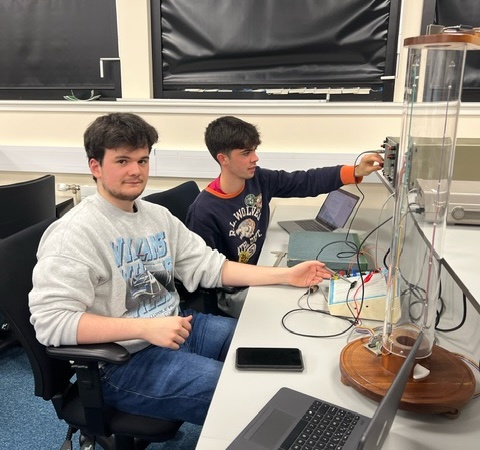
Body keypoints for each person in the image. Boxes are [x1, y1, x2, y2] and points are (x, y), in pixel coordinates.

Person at [28, 112, 332, 427]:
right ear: (95, 166)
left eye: (143, 161)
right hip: (122, 362)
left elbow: (209, 266)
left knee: (272, 347)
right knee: (239, 390)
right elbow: (52, 324)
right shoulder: (74, 234)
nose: (136, 171)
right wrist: (144, 328)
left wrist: (285, 275)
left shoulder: (155, 216)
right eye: (122, 161)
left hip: (178, 327)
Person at [185, 115, 384, 316]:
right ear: (223, 159)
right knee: (297, 308)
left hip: (262, 268)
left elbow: (304, 181)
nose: (255, 158)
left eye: (254, 150)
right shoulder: (204, 211)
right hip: (233, 292)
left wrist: (356, 171)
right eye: (246, 153)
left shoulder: (258, 179)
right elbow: (206, 276)